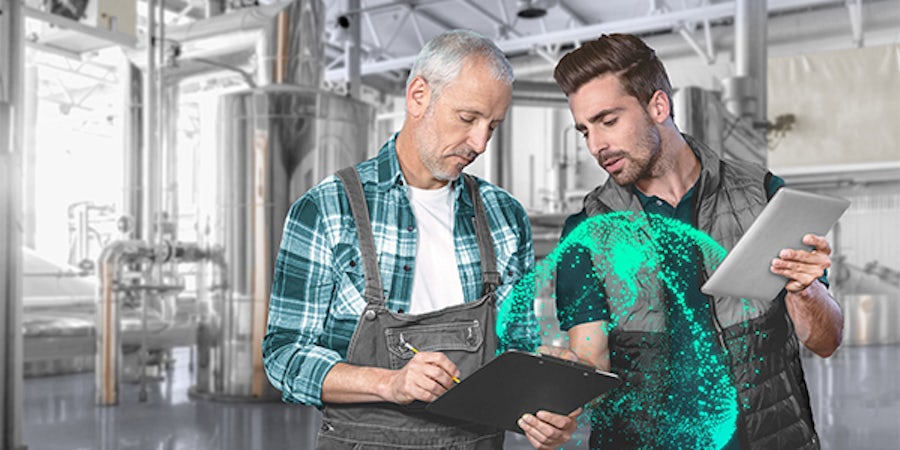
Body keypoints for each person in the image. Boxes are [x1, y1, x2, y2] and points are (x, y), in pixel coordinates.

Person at [263, 29, 578, 450]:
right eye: (467, 118)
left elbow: (514, 349)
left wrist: (544, 397)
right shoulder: (327, 209)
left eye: (493, 126)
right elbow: (283, 356)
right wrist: (389, 383)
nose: (480, 143)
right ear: (418, 96)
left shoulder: (505, 217)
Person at [551, 33, 843, 449]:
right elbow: (590, 356)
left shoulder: (761, 196)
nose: (596, 146)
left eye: (608, 121)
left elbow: (825, 341)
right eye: (584, 131)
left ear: (658, 106)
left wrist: (806, 290)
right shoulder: (587, 232)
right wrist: (564, 381)